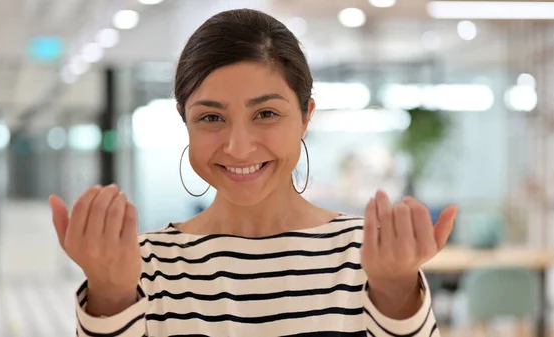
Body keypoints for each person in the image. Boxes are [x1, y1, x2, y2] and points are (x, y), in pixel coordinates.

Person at [49, 8, 457, 337]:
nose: (238, 147)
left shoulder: (365, 255)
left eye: (265, 113)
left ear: (304, 117)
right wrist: (110, 295)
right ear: (184, 121)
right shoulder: (145, 265)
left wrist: (396, 292)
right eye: (211, 117)